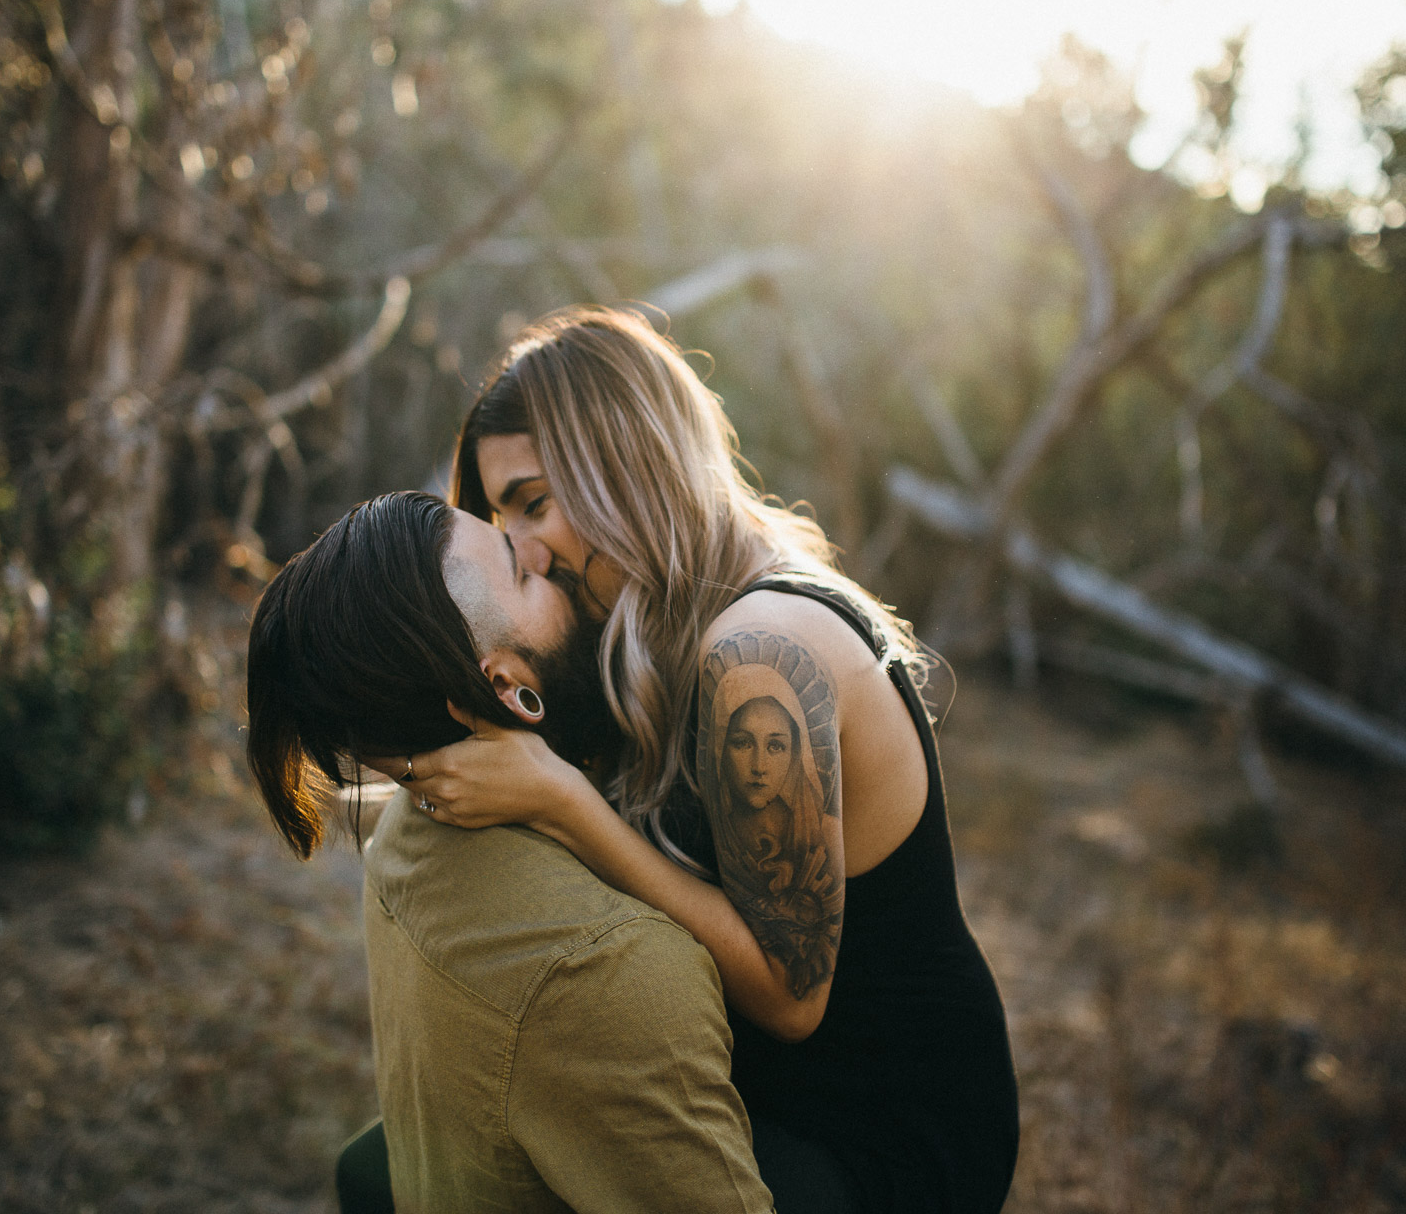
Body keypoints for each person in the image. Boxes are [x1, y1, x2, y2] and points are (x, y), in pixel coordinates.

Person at [377, 307, 1020, 1213]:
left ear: (626, 463)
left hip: (879, 1124)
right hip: (747, 1079)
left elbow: (792, 995)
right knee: (394, 1163)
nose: (521, 547)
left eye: (533, 502)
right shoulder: (649, 618)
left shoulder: (757, 649)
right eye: (497, 515)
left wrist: (566, 803)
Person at [246, 490, 774, 1214]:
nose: (540, 552)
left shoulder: (406, 832)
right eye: (518, 572)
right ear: (508, 689)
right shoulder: (607, 967)